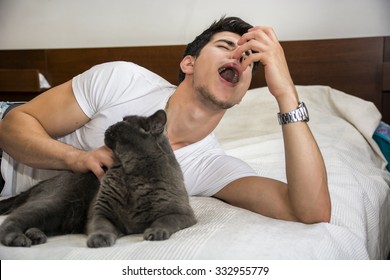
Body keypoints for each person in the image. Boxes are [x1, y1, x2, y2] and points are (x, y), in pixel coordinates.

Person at [0, 17, 330, 224]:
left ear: (243, 94)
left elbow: (310, 211)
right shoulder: (123, 80)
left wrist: (286, 93)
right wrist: (77, 158)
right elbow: (14, 125)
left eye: (249, 58)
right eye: (226, 46)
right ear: (189, 63)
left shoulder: (210, 167)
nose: (238, 58)